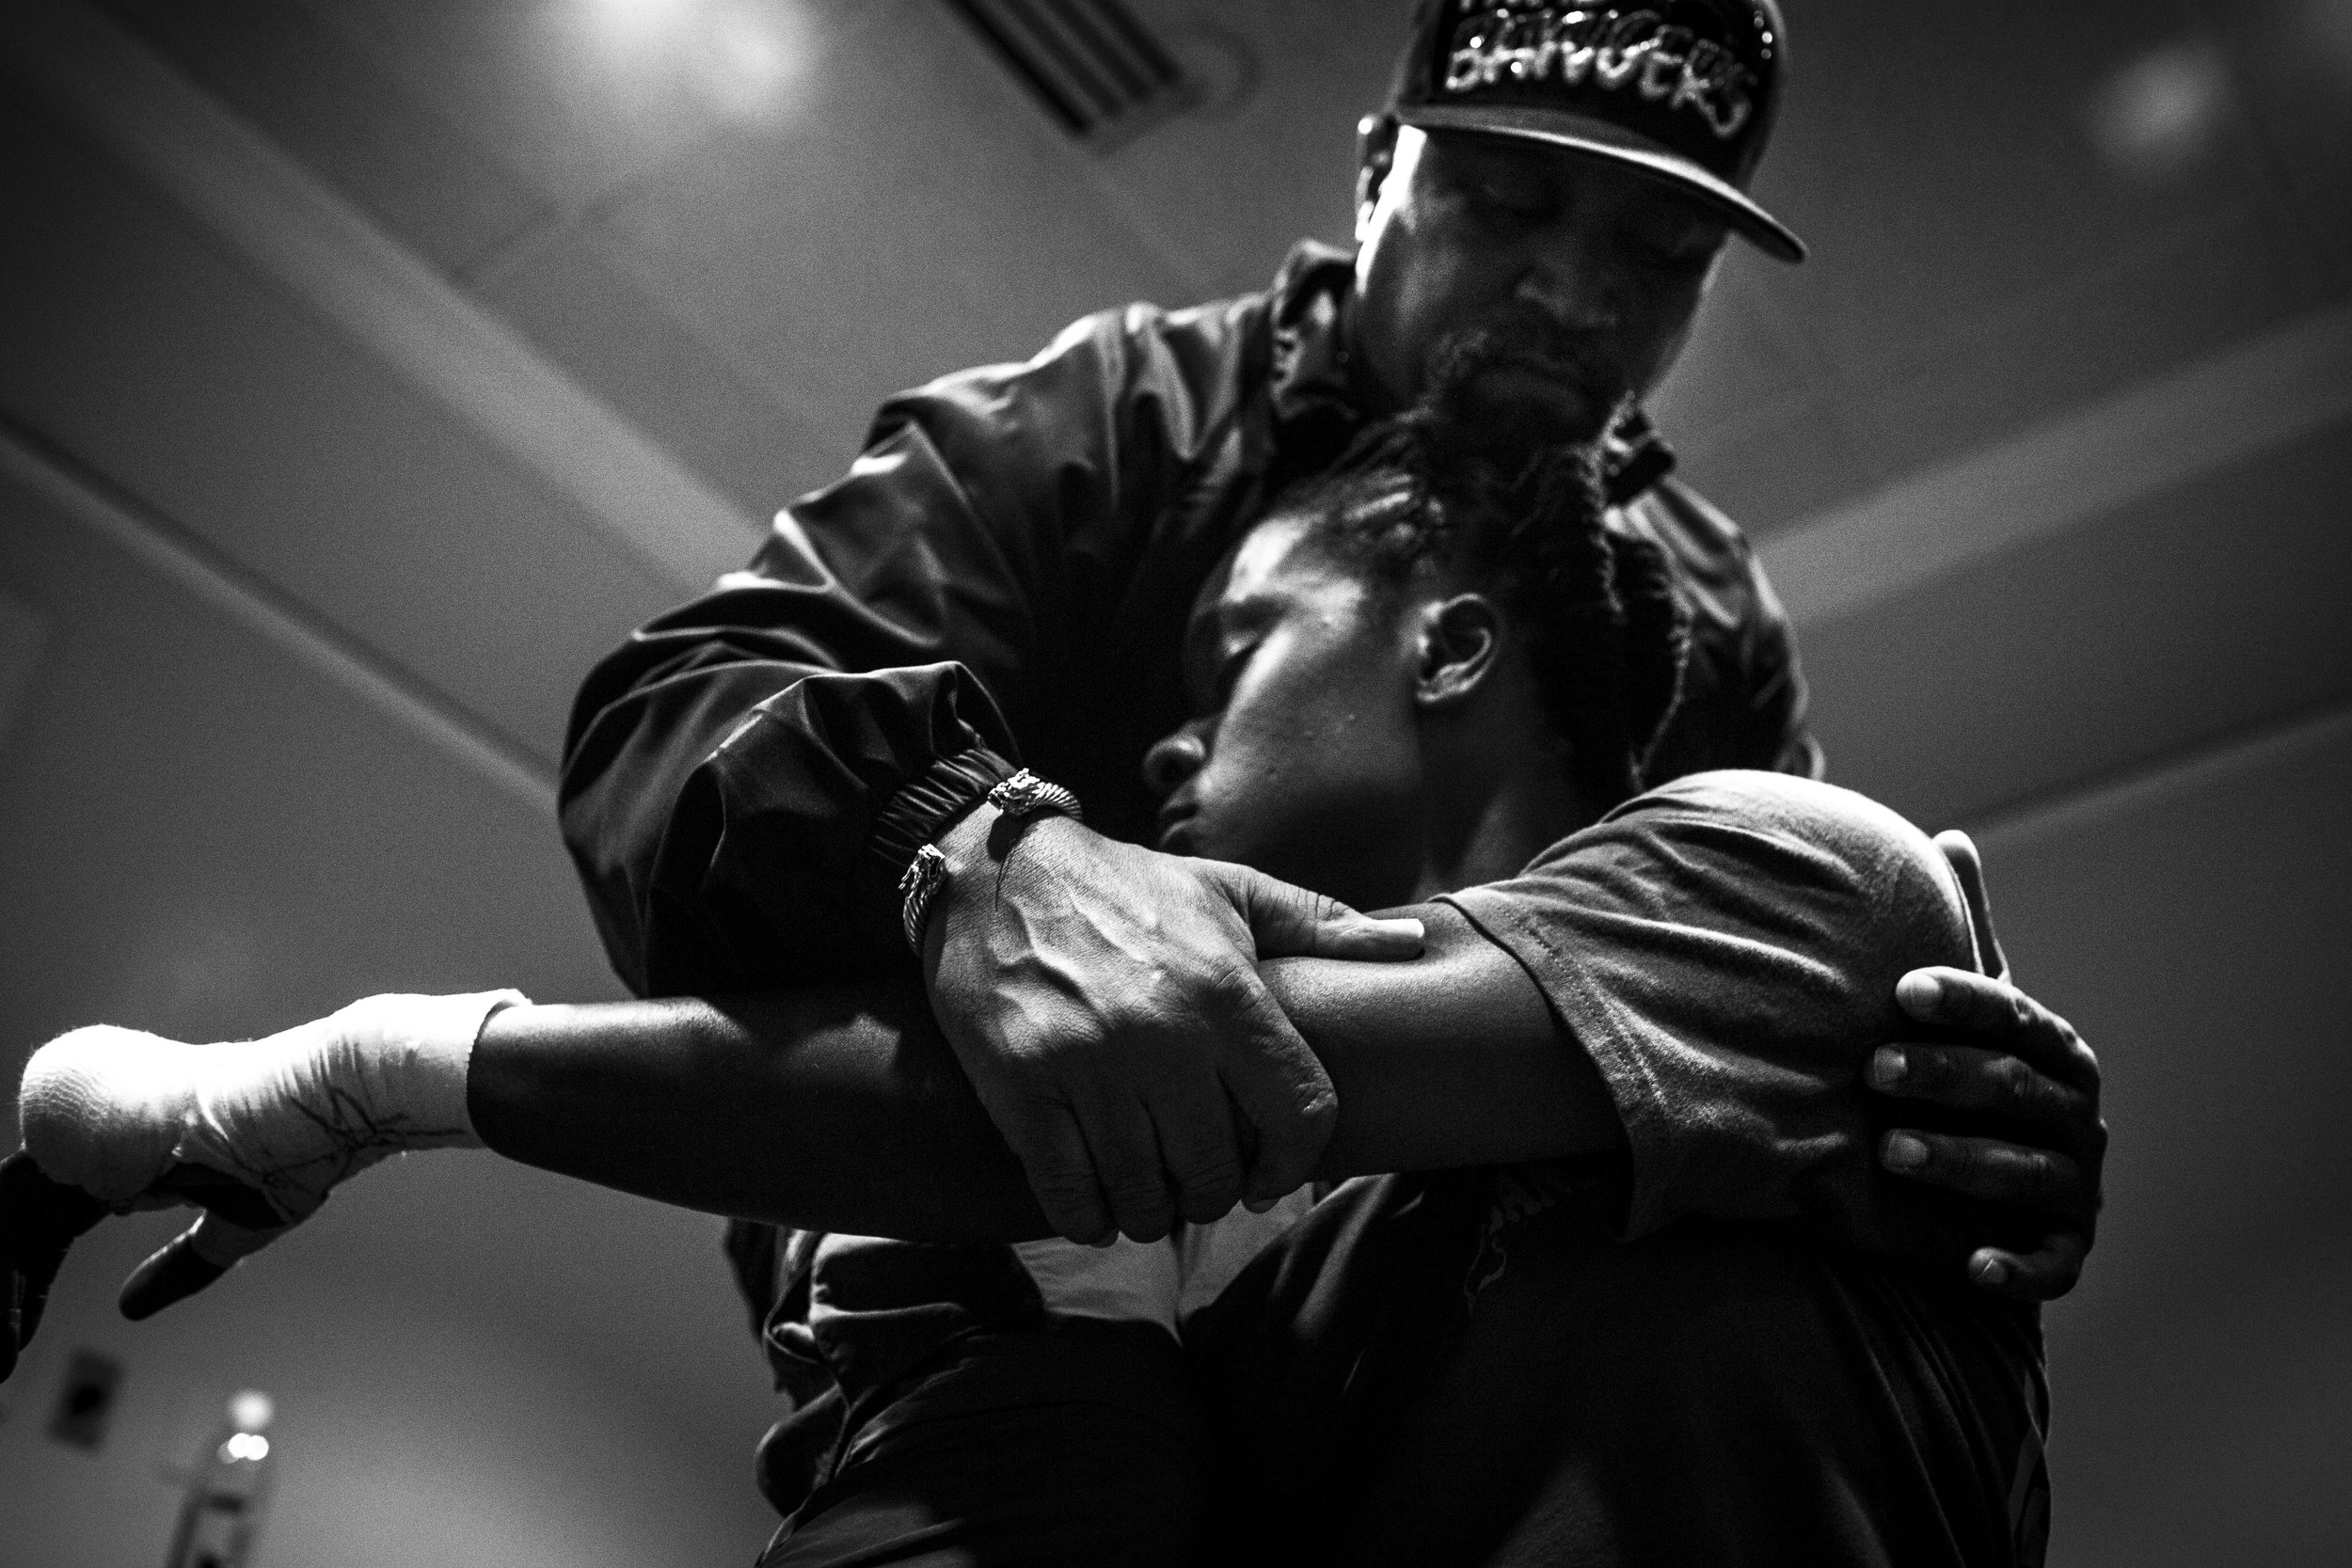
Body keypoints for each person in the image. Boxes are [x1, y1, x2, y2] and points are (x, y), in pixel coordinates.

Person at [8, 413, 2085, 1564]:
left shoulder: (1803, 871)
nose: (1166, 759)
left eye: (1232, 664)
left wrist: (369, 1070)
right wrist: (1005, 1351)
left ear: (1445, 647)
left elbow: (1011, 1103)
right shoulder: (1234, 1278)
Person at [557, 0, 2102, 1297]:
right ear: (1378, 172)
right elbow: (679, 713)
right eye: (1508, 205)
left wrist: (1955, 1116)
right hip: (997, 1329)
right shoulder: (1104, 429)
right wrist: (957, 838)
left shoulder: (1702, 619)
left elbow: (1767, 1030)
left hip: (1434, 1374)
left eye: (1663, 248)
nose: (1577, 293)